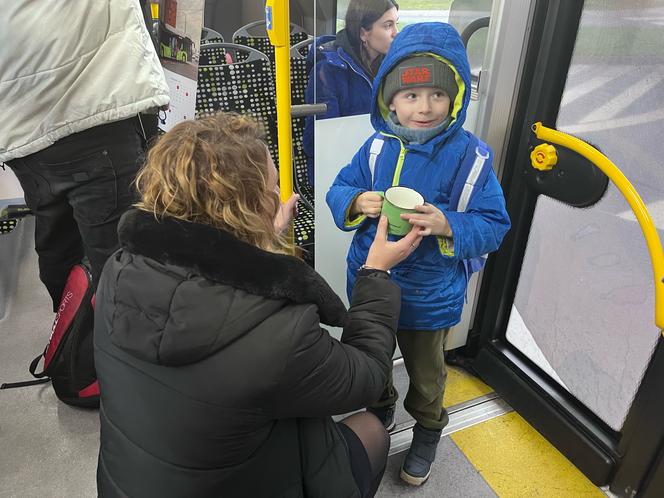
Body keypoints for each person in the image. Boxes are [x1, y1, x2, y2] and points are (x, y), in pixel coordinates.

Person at [93, 112, 423, 498]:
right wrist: (376, 273)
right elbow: (366, 375)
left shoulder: (117, 271)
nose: (278, 192)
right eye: (273, 185)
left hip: (127, 486)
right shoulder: (278, 336)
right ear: (252, 206)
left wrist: (261, 242)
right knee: (371, 430)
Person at [326, 22, 511, 486]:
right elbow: (339, 187)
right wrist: (355, 201)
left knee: (428, 376)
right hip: (372, 285)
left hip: (431, 296)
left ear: (456, 99)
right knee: (373, 358)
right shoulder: (375, 148)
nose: (424, 107)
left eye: (436, 95)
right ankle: (381, 405)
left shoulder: (473, 159)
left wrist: (449, 223)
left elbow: (495, 224)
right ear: (389, 100)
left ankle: (429, 428)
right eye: (410, 96)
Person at [0, 0, 169, 310]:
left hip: (21, 114)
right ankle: (113, 350)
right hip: (87, 103)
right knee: (122, 260)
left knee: (58, 241)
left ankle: (69, 343)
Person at [303, 0, 399, 185]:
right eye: (388, 25)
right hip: (340, 169)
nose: (396, 33)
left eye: (396, 23)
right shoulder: (328, 70)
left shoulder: (391, 66)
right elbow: (324, 139)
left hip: (379, 159)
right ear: (364, 33)